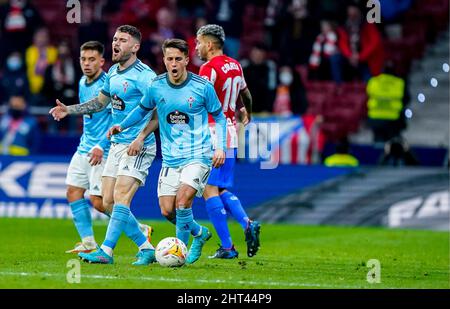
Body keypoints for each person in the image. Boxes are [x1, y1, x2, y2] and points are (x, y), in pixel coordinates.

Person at [109, 38, 227, 264]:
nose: (173, 63)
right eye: (169, 59)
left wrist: (220, 146)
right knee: (166, 210)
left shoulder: (202, 87)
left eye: (178, 59)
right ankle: (199, 233)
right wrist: (121, 126)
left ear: (186, 60)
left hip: (198, 155)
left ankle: (179, 255)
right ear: (164, 60)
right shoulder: (156, 86)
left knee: (183, 202)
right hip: (170, 159)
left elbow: (220, 117)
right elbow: (142, 109)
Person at [49, 25, 157, 265]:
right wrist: (69, 109)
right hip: (118, 144)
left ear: (136, 47)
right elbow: (99, 103)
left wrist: (140, 138)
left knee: (118, 198)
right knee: (105, 202)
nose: (116, 43)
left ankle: (105, 251)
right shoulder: (114, 74)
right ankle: (146, 246)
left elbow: (158, 109)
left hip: (137, 145)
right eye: (115, 39)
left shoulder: (145, 76)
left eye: (123, 40)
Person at [195, 24, 261, 259]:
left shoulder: (208, 68)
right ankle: (247, 223)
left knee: (207, 189)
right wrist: (247, 112)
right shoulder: (236, 65)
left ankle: (227, 246)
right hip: (231, 132)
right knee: (220, 188)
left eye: (199, 42)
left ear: (209, 44)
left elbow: (199, 103)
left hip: (213, 133)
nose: (197, 47)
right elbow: (247, 95)